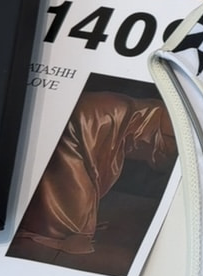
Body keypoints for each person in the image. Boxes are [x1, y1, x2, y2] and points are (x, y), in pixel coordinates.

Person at [13, 90, 177, 256]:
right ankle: (59, 225)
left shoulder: (155, 118)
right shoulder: (151, 120)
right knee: (74, 189)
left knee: (81, 184)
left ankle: (66, 221)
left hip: (102, 117)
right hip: (91, 120)